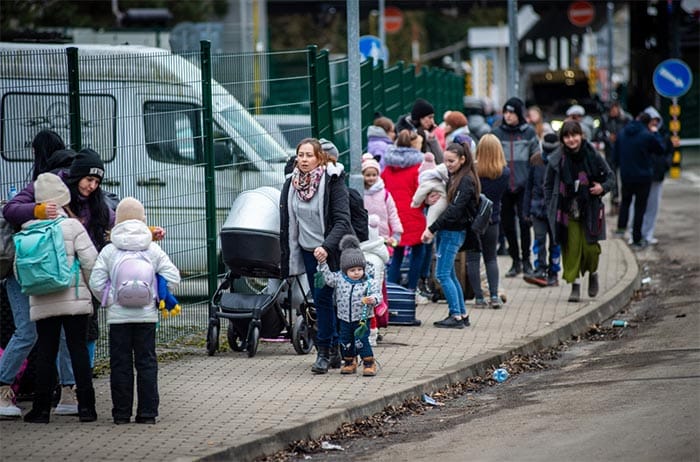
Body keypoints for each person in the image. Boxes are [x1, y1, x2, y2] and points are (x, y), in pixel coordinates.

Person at [89, 197, 180, 425]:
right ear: (143, 219)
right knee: (146, 362)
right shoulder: (152, 249)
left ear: (117, 220)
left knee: (120, 364)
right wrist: (156, 295)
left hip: (118, 319)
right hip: (146, 316)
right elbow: (173, 277)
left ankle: (121, 414)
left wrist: (111, 299)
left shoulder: (110, 250)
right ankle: (147, 414)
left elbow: (96, 282)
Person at [19, 173, 98, 423]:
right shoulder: (73, 226)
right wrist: (96, 294)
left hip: (42, 298)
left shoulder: (27, 229)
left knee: (46, 351)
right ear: (63, 199)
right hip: (74, 297)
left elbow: (20, 271)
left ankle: (41, 410)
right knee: (78, 350)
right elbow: (91, 262)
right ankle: (86, 408)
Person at [0, 131, 68, 417]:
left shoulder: (76, 192)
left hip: (48, 271)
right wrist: (38, 210)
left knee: (59, 332)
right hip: (24, 269)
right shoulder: (38, 188)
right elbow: (11, 210)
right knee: (29, 330)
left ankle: (69, 389)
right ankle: (3, 387)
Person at [280, 138, 352, 374]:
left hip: (333, 252)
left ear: (319, 158)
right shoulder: (292, 183)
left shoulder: (333, 182)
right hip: (310, 253)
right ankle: (326, 351)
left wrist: (327, 246)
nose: (303, 160)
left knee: (338, 300)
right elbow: (288, 220)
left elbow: (343, 221)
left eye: (309, 155)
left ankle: (339, 348)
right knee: (321, 300)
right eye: (300, 155)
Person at [544, 121, 615, 302]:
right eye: (567, 136)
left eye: (574, 135)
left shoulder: (593, 155)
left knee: (591, 249)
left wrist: (602, 188)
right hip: (566, 212)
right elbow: (547, 185)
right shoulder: (557, 159)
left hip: (590, 208)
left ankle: (593, 273)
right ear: (562, 139)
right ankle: (574, 285)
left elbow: (610, 177)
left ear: (581, 135)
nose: (571, 140)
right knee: (571, 249)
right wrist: (551, 205)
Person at [421, 141, 480, 328]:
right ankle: (461, 313)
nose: (447, 164)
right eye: (445, 161)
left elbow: (454, 210)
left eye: (452, 161)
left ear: (463, 159)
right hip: (452, 231)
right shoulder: (458, 176)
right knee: (450, 274)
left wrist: (432, 228)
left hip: (452, 232)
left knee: (443, 274)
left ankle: (455, 316)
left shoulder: (466, 180)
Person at [317, 234, 382, 376]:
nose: (356, 273)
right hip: (344, 318)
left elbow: (378, 296)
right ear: (345, 270)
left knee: (361, 340)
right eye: (352, 270)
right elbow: (327, 278)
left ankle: (368, 362)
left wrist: (372, 299)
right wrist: (322, 264)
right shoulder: (339, 279)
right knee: (345, 341)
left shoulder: (369, 282)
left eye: (359, 269)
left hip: (362, 318)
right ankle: (349, 361)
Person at [492, 97, 540, 277]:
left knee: (525, 223)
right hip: (503, 186)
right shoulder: (496, 133)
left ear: (519, 114)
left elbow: (536, 159)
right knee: (507, 225)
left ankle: (527, 261)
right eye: (506, 112)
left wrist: (535, 184)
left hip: (524, 187)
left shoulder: (529, 133)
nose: (508, 115)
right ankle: (515, 261)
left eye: (511, 112)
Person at [381, 129, 428, 304]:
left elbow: (382, 188)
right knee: (418, 252)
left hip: (394, 216)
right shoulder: (417, 168)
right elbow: (421, 192)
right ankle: (411, 290)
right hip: (414, 214)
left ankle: (392, 290)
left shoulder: (387, 167)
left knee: (397, 254)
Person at [467, 134, 510, 308]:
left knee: (473, 259)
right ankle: (494, 296)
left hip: (473, 221)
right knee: (491, 258)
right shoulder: (504, 172)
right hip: (493, 219)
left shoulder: (473, 171)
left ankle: (478, 298)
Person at [613, 112, 665, 249]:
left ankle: (620, 228)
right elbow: (661, 149)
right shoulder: (647, 135)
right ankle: (636, 238)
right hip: (643, 177)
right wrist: (656, 133)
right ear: (648, 123)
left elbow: (615, 155)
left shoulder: (622, 133)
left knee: (626, 201)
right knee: (639, 208)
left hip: (626, 175)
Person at [523, 133, 561, 287]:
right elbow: (529, 186)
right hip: (537, 208)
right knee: (539, 239)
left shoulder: (561, 161)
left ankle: (553, 272)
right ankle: (540, 269)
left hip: (556, 209)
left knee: (554, 242)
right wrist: (526, 210)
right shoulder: (536, 160)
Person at [640, 106, 675, 245]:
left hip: (657, 175)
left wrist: (667, 164)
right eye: (651, 120)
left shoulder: (663, 134)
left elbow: (668, 150)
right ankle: (637, 233)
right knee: (640, 206)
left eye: (656, 120)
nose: (654, 123)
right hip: (643, 176)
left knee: (653, 206)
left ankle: (648, 234)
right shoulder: (642, 135)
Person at [593, 101, 631, 214]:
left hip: (624, 153)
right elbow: (598, 134)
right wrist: (607, 137)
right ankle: (615, 203)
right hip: (611, 153)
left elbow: (631, 133)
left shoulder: (626, 118)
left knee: (625, 179)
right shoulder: (605, 119)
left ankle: (625, 203)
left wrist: (619, 137)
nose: (613, 111)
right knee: (612, 178)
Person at [361, 153, 403, 246]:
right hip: (365, 236)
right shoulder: (360, 194)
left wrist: (397, 232)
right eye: (368, 175)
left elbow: (392, 213)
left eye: (374, 175)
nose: (371, 178)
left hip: (383, 236)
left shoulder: (385, 194)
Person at [360, 215, 390, 346]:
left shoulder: (367, 258)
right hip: (376, 292)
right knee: (371, 315)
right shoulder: (379, 253)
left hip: (365, 293)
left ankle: (370, 338)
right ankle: (371, 336)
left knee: (367, 315)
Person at [411, 152, 448, 229]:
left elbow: (420, 193)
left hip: (438, 202)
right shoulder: (440, 180)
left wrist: (415, 203)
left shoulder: (427, 182)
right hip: (444, 200)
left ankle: (429, 231)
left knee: (431, 216)